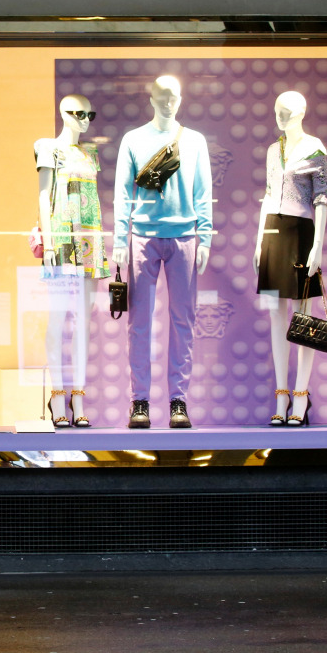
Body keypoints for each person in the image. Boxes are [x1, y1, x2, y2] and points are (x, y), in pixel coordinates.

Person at [111, 75, 213, 429]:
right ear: (151, 97)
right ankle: (139, 400)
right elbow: (123, 192)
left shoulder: (196, 141)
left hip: (184, 237)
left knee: (183, 321)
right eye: (163, 95)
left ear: (181, 99)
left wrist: (206, 236)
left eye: (174, 96)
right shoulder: (134, 140)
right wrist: (120, 239)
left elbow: (203, 190)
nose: (169, 102)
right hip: (142, 237)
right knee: (139, 323)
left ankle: (178, 400)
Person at [253, 91, 327, 427]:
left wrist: (318, 247)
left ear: (301, 111)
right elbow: (269, 195)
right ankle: (281, 395)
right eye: (275, 111)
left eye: (285, 112)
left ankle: (301, 397)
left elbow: (322, 199)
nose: (279, 117)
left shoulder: (315, 147)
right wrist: (259, 241)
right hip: (273, 230)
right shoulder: (273, 150)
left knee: (304, 319)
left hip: (301, 232)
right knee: (275, 317)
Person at [34, 94, 110, 428]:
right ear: (64, 114)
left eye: (89, 114)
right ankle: (56, 395)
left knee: (83, 322)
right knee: (57, 320)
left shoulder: (90, 153)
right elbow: (42, 194)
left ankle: (79, 397)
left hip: (90, 237)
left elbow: (92, 200)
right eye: (79, 113)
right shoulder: (48, 146)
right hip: (62, 240)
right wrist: (50, 242)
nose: (85, 119)